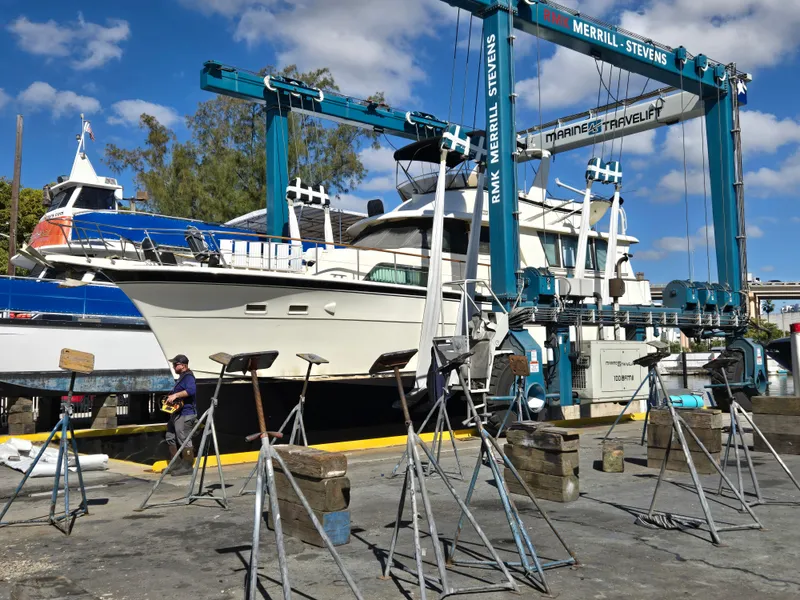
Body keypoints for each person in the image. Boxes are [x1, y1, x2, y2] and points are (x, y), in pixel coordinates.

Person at [164, 354, 197, 475]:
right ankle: (176, 464)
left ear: (183, 365)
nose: (173, 366)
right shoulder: (181, 378)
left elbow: (191, 390)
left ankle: (187, 466)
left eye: (175, 364)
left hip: (186, 414)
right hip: (177, 413)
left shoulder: (188, 377)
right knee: (170, 436)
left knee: (184, 439)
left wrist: (176, 395)